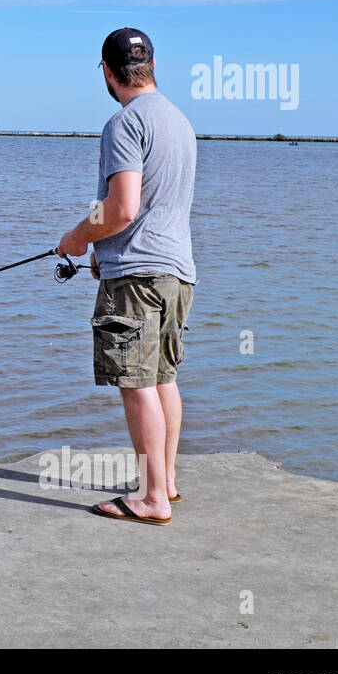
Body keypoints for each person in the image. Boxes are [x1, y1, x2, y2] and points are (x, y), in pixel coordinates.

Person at [56, 27, 196, 526]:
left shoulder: (125, 122)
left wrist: (79, 239)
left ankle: (152, 499)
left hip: (136, 277)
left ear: (108, 72)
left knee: (136, 384)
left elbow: (123, 207)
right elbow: (154, 206)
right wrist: (105, 246)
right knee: (163, 378)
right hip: (178, 273)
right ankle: (167, 482)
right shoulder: (179, 122)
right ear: (152, 65)